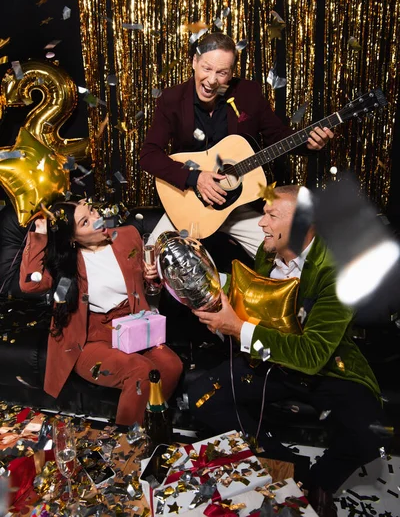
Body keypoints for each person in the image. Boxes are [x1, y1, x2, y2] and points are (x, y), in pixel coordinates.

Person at [188, 185, 383, 517]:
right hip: (269, 360)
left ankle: (320, 480)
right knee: (201, 397)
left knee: (369, 432)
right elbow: (249, 299)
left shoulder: (335, 270)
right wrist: (212, 297)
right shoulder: (268, 252)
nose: (261, 223)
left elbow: (312, 354)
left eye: (271, 215)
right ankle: (286, 463)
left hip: (323, 368)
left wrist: (236, 327)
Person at [140, 33, 333, 257]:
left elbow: (278, 136)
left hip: (237, 206)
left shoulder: (249, 94)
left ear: (231, 73)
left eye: (221, 73)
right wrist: (196, 177)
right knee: (153, 259)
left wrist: (309, 144)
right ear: (194, 62)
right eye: (206, 68)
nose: (212, 80)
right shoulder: (172, 99)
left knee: (291, 254)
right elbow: (149, 155)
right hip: (189, 203)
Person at [19, 200, 183, 426]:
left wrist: (151, 279)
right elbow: (29, 285)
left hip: (133, 326)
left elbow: (149, 289)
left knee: (172, 366)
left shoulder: (127, 236)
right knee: (140, 370)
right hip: (92, 338)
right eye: (85, 222)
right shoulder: (66, 263)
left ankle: (148, 425)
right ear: (72, 238)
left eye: (93, 211)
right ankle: (127, 443)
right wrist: (39, 234)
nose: (97, 220)